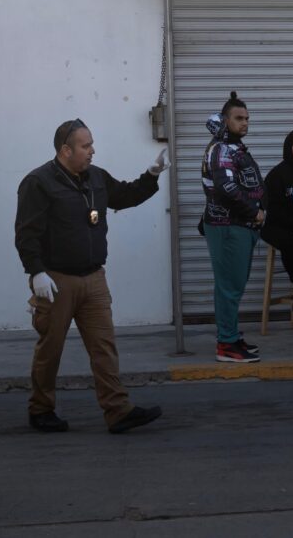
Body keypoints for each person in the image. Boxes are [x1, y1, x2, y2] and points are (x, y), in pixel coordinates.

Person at [14, 118, 165, 433]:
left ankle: (118, 410)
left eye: (92, 144)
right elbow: (27, 234)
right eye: (86, 146)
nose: (92, 151)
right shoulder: (38, 182)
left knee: (104, 346)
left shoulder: (96, 177)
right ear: (65, 150)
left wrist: (150, 176)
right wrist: (37, 272)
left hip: (94, 278)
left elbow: (124, 196)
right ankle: (40, 409)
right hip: (56, 281)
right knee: (50, 348)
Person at [202, 92, 266, 364]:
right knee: (229, 286)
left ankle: (231, 336)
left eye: (247, 119)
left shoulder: (234, 148)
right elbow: (226, 188)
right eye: (239, 118)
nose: (245, 123)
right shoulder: (221, 150)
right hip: (229, 227)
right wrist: (255, 212)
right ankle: (226, 344)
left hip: (239, 226)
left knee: (233, 285)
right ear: (225, 120)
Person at [261, 130, 293, 312]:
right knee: (289, 243)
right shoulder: (277, 175)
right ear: (289, 149)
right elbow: (273, 208)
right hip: (276, 225)